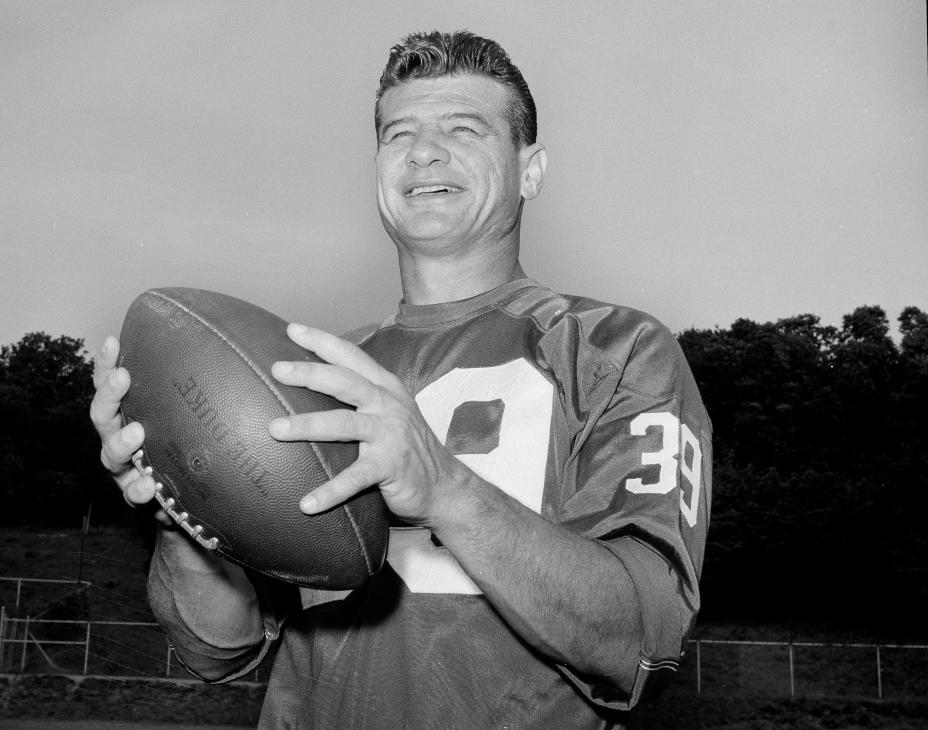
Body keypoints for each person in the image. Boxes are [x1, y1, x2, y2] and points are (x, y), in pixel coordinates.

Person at [91, 30, 711, 729]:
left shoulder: (616, 349)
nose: (424, 151)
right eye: (399, 133)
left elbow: (645, 645)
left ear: (531, 169)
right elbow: (217, 652)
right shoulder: (310, 376)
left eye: (464, 129)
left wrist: (446, 490)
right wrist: (182, 503)